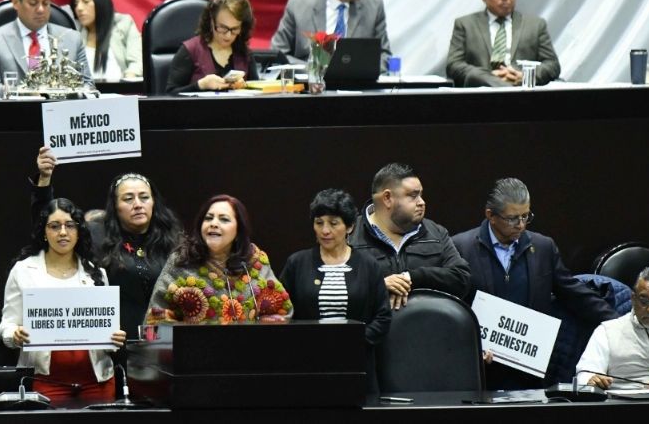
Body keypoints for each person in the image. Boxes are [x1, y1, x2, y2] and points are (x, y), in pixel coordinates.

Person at [453, 177, 616, 389]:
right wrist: (470, 346)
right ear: (490, 215)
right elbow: (454, 307)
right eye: (512, 218)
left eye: (525, 216)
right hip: (482, 367)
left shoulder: (543, 247)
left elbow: (573, 293)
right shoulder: (461, 248)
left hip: (530, 369)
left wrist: (619, 325)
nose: (521, 225)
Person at [29, 146, 181, 339]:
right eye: (128, 198)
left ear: (153, 202)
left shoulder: (172, 239)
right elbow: (49, 227)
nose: (137, 204)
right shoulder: (97, 234)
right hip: (113, 344)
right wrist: (44, 182)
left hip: (163, 343)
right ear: (115, 206)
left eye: (144, 197)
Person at [0, 198, 126, 404]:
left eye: (70, 225)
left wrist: (115, 337)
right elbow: (6, 325)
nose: (63, 232)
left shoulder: (96, 273)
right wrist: (15, 334)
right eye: (54, 226)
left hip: (97, 381)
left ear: (79, 231)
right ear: (44, 232)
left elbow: (109, 328)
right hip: (46, 380)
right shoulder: (23, 271)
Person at [280, 189, 391, 391]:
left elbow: (383, 317)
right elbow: (282, 314)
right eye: (319, 222)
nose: (325, 230)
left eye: (333, 223)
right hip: (307, 365)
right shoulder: (297, 263)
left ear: (349, 226)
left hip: (357, 364)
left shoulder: (369, 265)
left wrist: (351, 341)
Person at [144, 194, 293, 324]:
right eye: (208, 218)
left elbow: (281, 312)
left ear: (238, 230)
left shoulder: (255, 261)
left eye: (224, 219)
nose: (213, 224)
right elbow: (156, 318)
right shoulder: (182, 260)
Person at [349, 163, 470, 309]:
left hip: (425, 327)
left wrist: (412, 278)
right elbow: (326, 289)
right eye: (413, 196)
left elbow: (462, 278)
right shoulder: (349, 235)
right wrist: (378, 286)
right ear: (387, 198)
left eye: (421, 195)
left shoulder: (436, 233)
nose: (422, 202)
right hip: (372, 329)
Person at [0, 0, 93, 95]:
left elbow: (88, 86)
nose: (41, 9)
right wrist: (27, 93)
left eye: (46, 3)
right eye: (33, 3)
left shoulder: (73, 39)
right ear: (16, 3)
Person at [446, 0, 561, 87]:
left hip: (524, 95)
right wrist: (488, 77)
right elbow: (454, 65)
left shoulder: (535, 25)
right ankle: (504, 88)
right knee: (475, 75)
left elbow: (552, 64)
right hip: (481, 95)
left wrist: (525, 76)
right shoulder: (465, 24)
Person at [576, 266, 649, 389]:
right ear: (633, 299)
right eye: (643, 300)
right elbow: (584, 373)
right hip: (623, 406)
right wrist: (591, 380)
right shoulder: (608, 332)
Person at [165, 0, 259, 94]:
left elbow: (258, 93)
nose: (228, 36)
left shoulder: (245, 53)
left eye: (234, 29)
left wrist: (245, 86)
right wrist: (200, 85)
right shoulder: (190, 50)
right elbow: (170, 94)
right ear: (211, 22)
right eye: (223, 28)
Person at [70, 0, 143, 81]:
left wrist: (129, 78)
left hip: (119, 91)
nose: (79, 8)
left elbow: (137, 62)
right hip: (85, 92)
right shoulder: (74, 31)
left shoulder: (123, 24)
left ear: (100, 2)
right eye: (76, 4)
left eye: (86, 2)